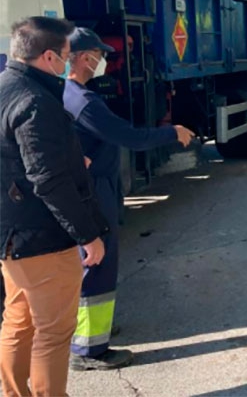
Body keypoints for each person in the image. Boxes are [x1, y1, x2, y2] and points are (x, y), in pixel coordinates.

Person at [62, 27, 195, 371]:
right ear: (82, 58)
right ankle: (90, 350)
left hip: (89, 186)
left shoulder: (67, 94)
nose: (103, 60)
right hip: (94, 192)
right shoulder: (84, 102)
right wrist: (172, 132)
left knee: (87, 264)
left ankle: (90, 333)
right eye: (99, 54)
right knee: (98, 266)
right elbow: (128, 137)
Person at [0, 16, 108, 396]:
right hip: (42, 236)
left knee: (19, 320)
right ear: (48, 57)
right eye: (66, 54)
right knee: (54, 332)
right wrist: (88, 234)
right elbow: (48, 180)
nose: (69, 61)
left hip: (11, 234)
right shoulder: (36, 101)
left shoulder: (5, 86)